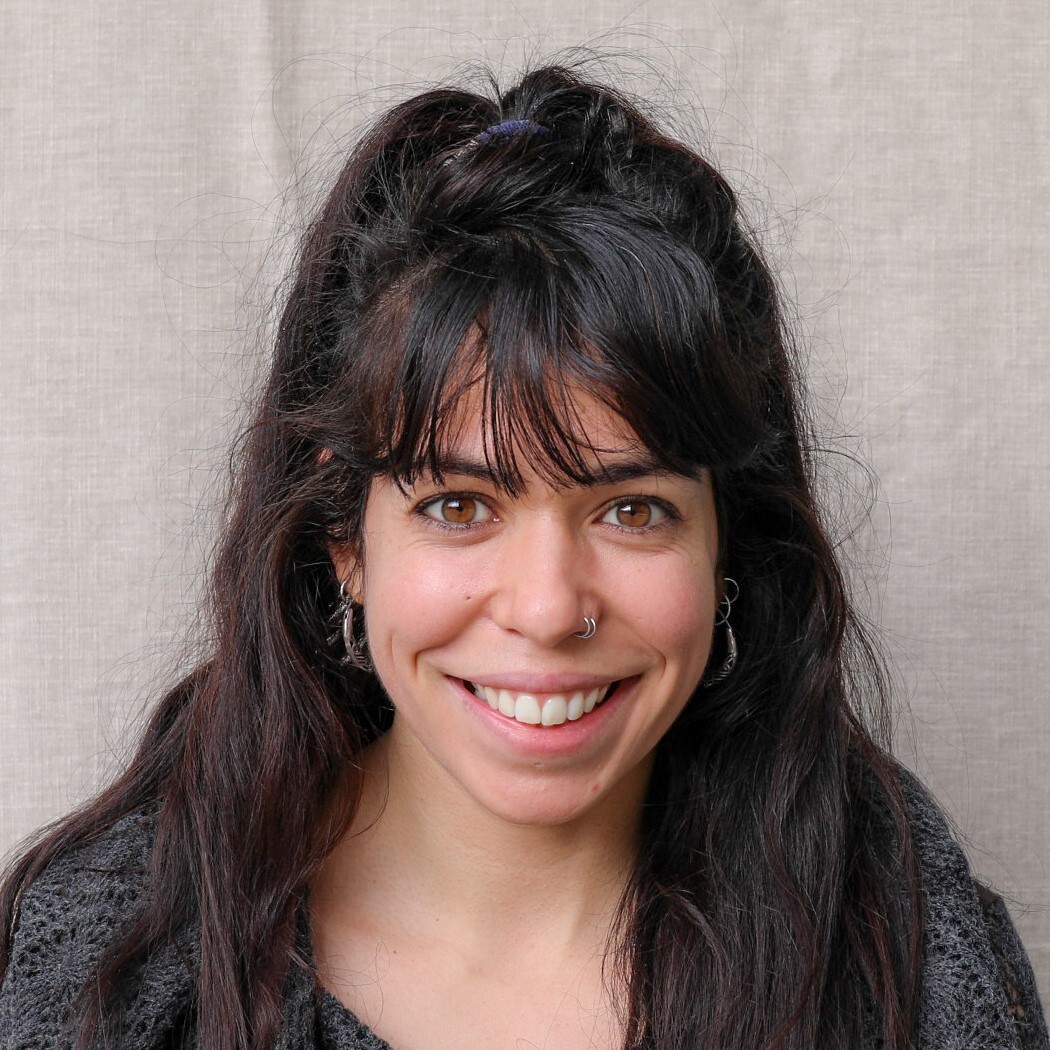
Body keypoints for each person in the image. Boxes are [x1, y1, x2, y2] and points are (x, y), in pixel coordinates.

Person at [0, 64, 1045, 1050]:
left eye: (633, 510)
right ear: (344, 539)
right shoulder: (113, 968)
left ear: (729, 542)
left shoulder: (900, 955)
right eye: (459, 506)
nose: (547, 609)